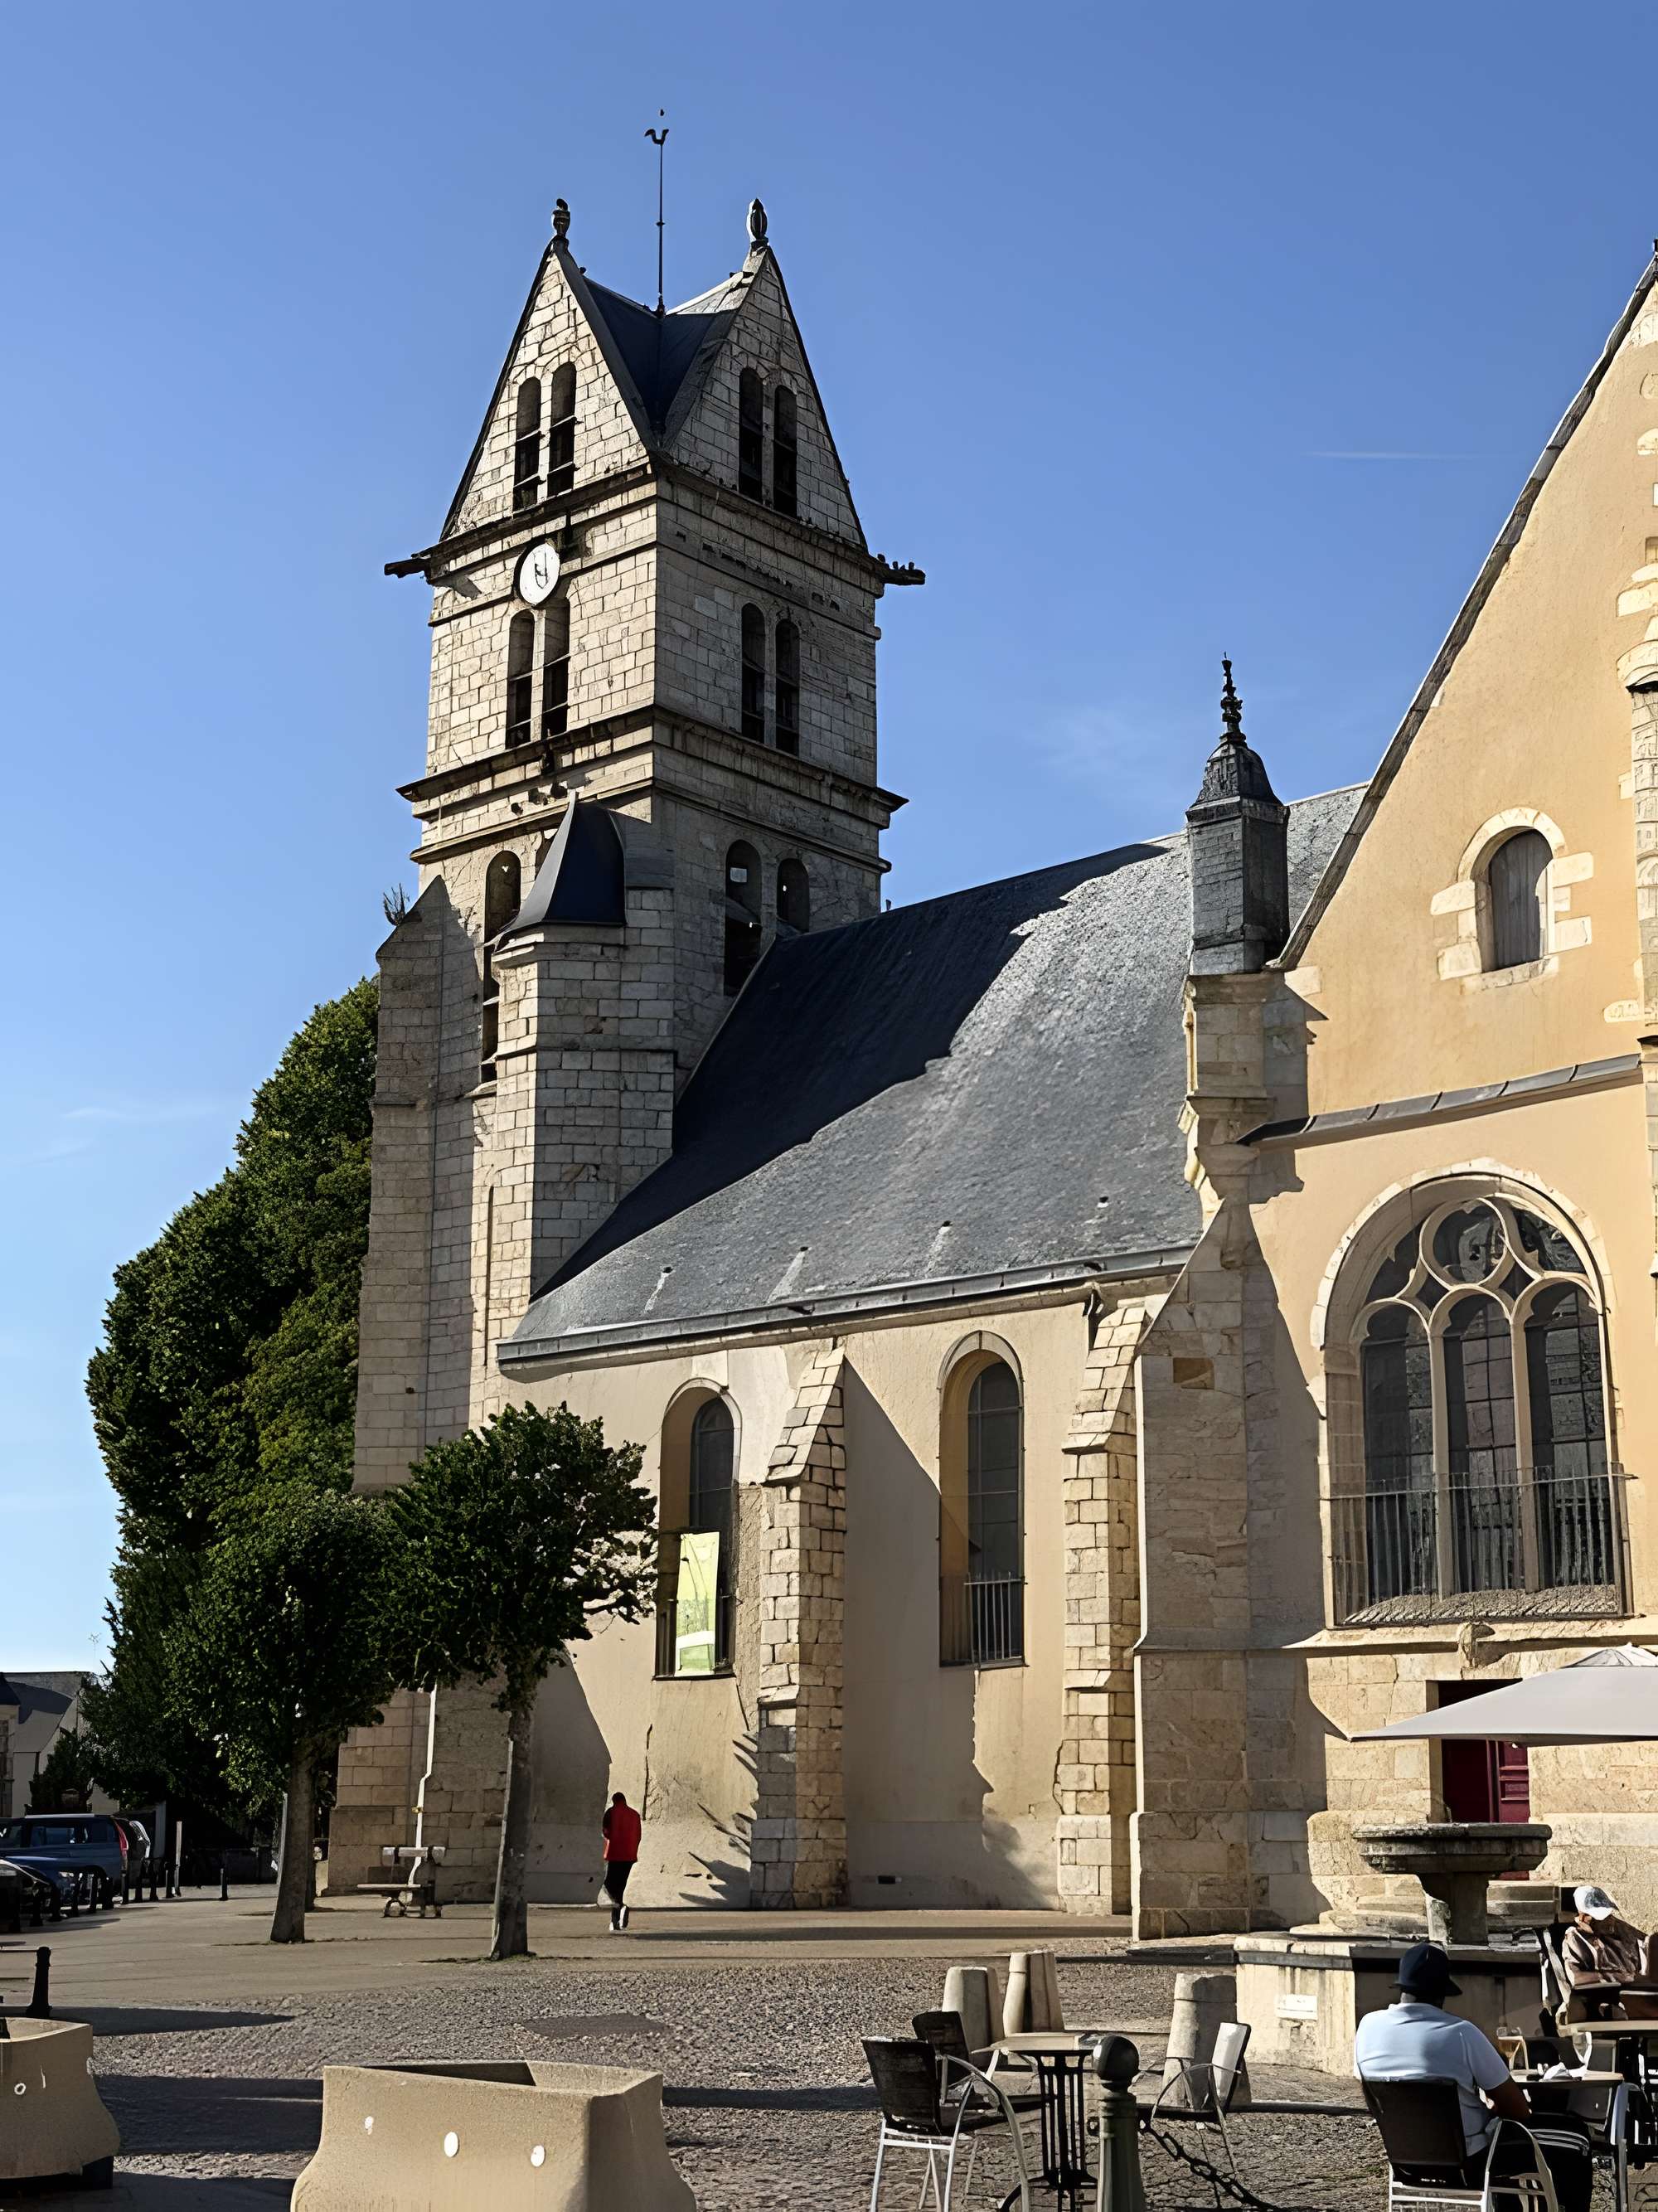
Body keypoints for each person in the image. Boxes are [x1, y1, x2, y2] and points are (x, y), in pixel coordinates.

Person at [1355, 1940, 1592, 2212]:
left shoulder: (1367, 2027)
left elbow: (1373, 2096)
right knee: (1575, 2137)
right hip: (1471, 2161)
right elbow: (1518, 2110)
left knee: (1506, 2138)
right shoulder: (1460, 2033)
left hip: (1405, 2160)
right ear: (1442, 1993)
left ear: (1402, 1987)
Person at [1562, 1885, 1658, 2016]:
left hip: (1635, 2001)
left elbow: (1647, 1950)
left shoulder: (1625, 1931)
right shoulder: (1576, 1939)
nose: (1609, 1921)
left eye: (1609, 1915)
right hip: (1600, 2008)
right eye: (1601, 1919)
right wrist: (1614, 1977)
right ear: (1585, 1918)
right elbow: (1577, 1978)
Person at [600, 1790, 642, 1932]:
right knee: (620, 1887)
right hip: (629, 1857)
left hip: (614, 1855)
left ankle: (619, 1909)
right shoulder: (635, 1815)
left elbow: (605, 1832)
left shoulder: (610, 1813)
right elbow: (639, 1836)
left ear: (614, 1801)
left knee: (608, 1885)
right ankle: (616, 1920)